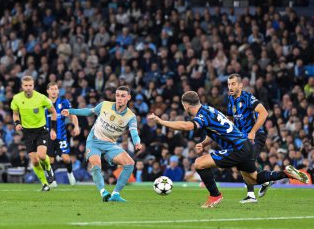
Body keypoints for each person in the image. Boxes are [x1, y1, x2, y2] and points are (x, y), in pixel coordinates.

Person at [148, 91, 309, 208]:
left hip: (236, 148)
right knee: (254, 178)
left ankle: (215, 195)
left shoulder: (202, 115)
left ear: (186, 105)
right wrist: (204, 144)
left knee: (199, 163)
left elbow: (187, 126)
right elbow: (218, 130)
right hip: (244, 145)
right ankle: (285, 173)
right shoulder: (210, 110)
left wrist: (162, 122)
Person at [61, 86, 142, 202]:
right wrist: (70, 111)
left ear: (129, 97)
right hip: (94, 141)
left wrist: (137, 142)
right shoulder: (105, 105)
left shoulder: (130, 116)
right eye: (117, 95)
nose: (119, 98)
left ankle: (115, 194)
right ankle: (103, 192)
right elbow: (89, 112)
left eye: (123, 96)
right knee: (96, 164)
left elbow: (134, 132)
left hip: (110, 145)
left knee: (130, 163)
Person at [227, 73, 272, 203]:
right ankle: (264, 182)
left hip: (255, 136)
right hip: (242, 137)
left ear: (241, 85)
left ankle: (252, 194)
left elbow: (264, 113)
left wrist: (252, 132)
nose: (230, 87)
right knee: (243, 163)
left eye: (233, 84)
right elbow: (230, 117)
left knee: (245, 161)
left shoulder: (247, 97)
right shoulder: (230, 99)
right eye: (229, 84)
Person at [11, 76, 57, 191]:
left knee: (41, 156)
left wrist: (53, 129)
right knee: (34, 160)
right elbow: (15, 114)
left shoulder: (41, 98)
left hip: (41, 130)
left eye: (30, 85)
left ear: (33, 85)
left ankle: (48, 167)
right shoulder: (16, 98)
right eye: (26, 86)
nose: (28, 88)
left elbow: (53, 112)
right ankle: (45, 184)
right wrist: (17, 123)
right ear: (22, 86)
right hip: (27, 132)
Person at [46, 81, 80, 187]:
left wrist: (76, 126)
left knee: (66, 158)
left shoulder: (64, 102)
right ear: (48, 91)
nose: (54, 91)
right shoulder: (43, 103)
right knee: (50, 159)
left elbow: (73, 115)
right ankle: (53, 180)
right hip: (47, 135)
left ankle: (70, 174)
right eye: (52, 89)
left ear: (58, 91)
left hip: (61, 135)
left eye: (56, 89)